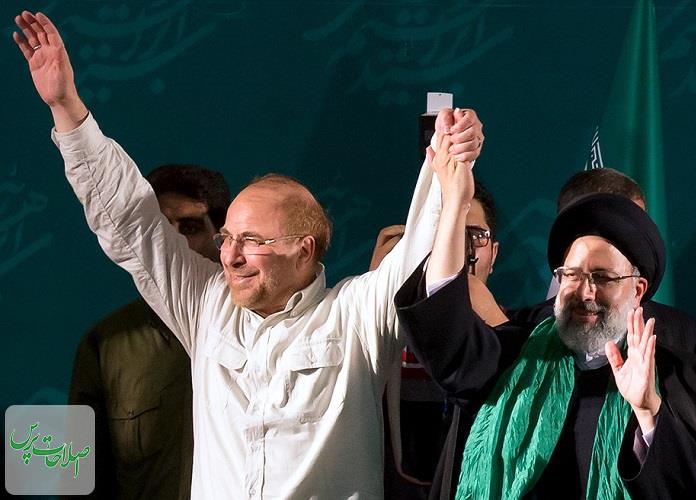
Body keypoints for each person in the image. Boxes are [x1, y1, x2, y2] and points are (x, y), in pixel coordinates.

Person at [13, 10, 485, 498]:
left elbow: (420, 254)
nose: (231, 256)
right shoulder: (205, 306)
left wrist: (448, 166)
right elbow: (130, 217)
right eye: (227, 238)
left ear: (303, 249)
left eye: (253, 241)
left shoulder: (356, 317)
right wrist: (67, 107)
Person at [395, 154, 696, 498]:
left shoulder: (673, 372)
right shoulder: (519, 354)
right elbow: (443, 327)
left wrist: (649, 411)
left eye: (603, 277)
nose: (586, 292)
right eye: (572, 275)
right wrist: (454, 202)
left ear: (637, 290)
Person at [68, 164, 231, 499]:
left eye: (189, 227)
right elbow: (72, 479)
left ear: (222, 240)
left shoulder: (266, 331)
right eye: (160, 228)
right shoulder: (104, 342)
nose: (173, 242)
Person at [374, 181, 505, 499]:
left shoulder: (525, 338)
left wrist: (498, 327)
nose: (459, 248)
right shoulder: (379, 335)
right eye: (445, 232)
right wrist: (374, 293)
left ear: (493, 253)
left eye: (474, 235)